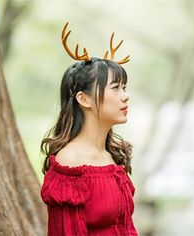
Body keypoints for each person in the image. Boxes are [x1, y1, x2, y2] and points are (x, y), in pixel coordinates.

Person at [40, 22, 138, 236]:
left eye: (124, 87)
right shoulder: (70, 163)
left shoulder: (110, 155)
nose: (125, 95)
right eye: (115, 88)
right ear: (84, 99)